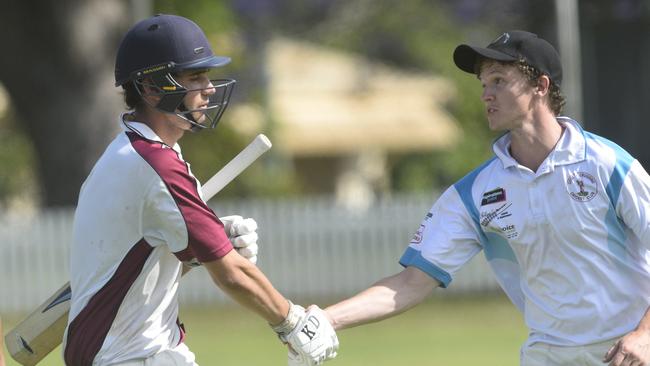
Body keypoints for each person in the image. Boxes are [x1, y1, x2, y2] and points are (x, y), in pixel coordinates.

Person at [317, 30, 650, 366]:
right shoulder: (474, 193)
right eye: (484, 85)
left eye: (499, 81)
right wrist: (325, 319)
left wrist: (645, 334)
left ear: (541, 86)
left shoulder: (608, 165)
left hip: (628, 353)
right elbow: (409, 283)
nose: (486, 95)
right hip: (547, 357)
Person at [63, 14, 338, 366]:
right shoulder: (154, 164)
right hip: (135, 357)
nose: (209, 88)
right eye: (195, 77)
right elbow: (231, 274)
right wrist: (293, 322)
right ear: (150, 88)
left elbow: (140, 259)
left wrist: (207, 240)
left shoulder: (132, 150)